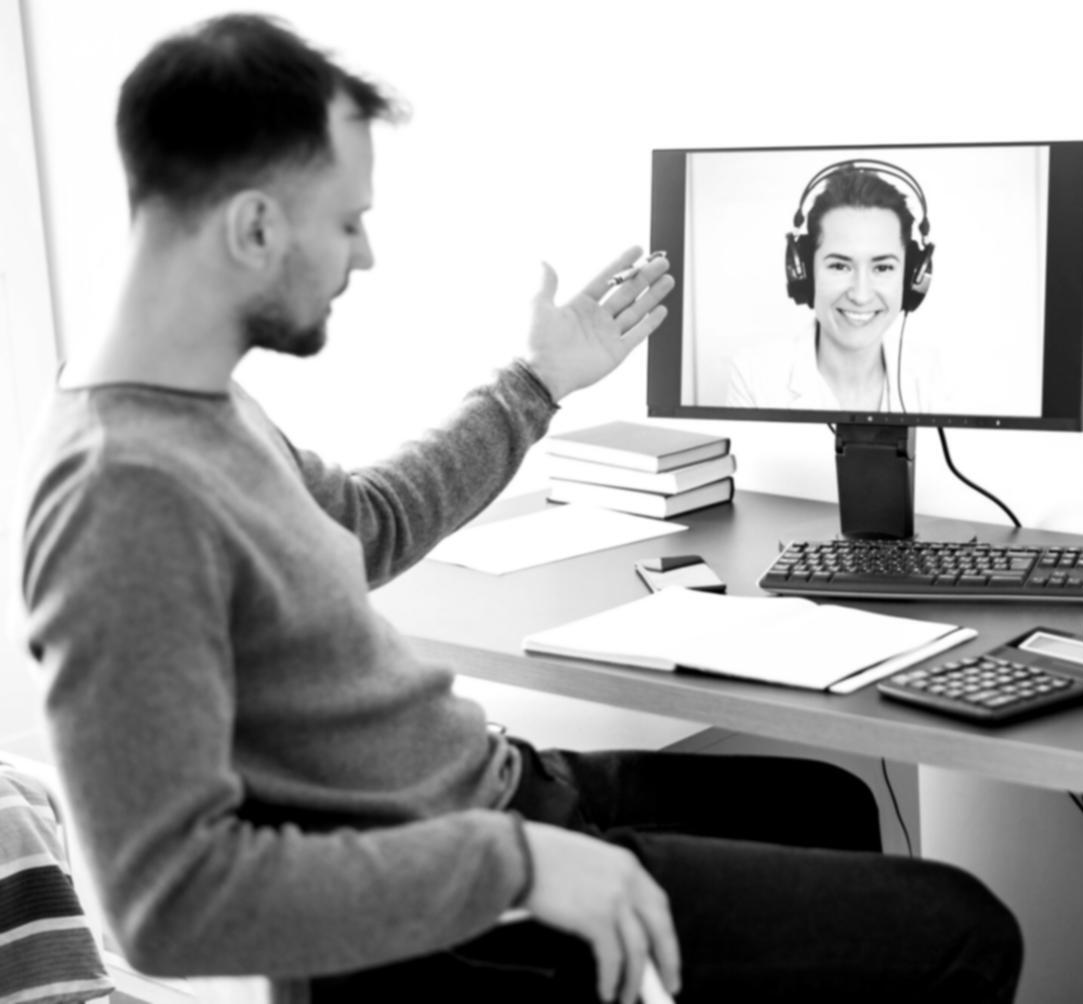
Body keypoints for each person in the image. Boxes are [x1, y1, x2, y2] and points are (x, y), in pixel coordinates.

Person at [15, 14, 1022, 1004]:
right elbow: (163, 901)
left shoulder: (202, 402)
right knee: (965, 929)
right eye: (349, 221)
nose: (362, 257)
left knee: (827, 804)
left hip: (496, 791)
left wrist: (537, 381)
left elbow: (364, 523)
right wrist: (518, 864)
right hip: (463, 916)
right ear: (254, 226)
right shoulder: (122, 495)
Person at [727, 163, 945, 413]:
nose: (861, 296)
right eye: (840, 266)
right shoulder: (754, 379)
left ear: (911, 279)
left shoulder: (931, 377)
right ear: (805, 273)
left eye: (883, 268)